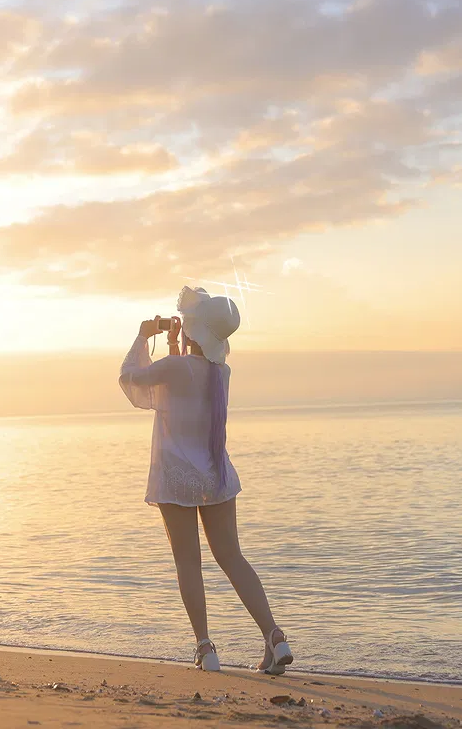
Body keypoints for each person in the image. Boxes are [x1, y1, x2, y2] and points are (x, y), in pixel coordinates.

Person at [118, 285, 293, 674]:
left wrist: (144, 336)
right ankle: (274, 636)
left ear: (193, 331)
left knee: (188, 562)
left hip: (177, 478)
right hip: (216, 475)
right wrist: (177, 345)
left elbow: (132, 380)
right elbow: (181, 384)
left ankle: (206, 647)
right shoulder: (220, 373)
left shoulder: (176, 369)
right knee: (232, 557)